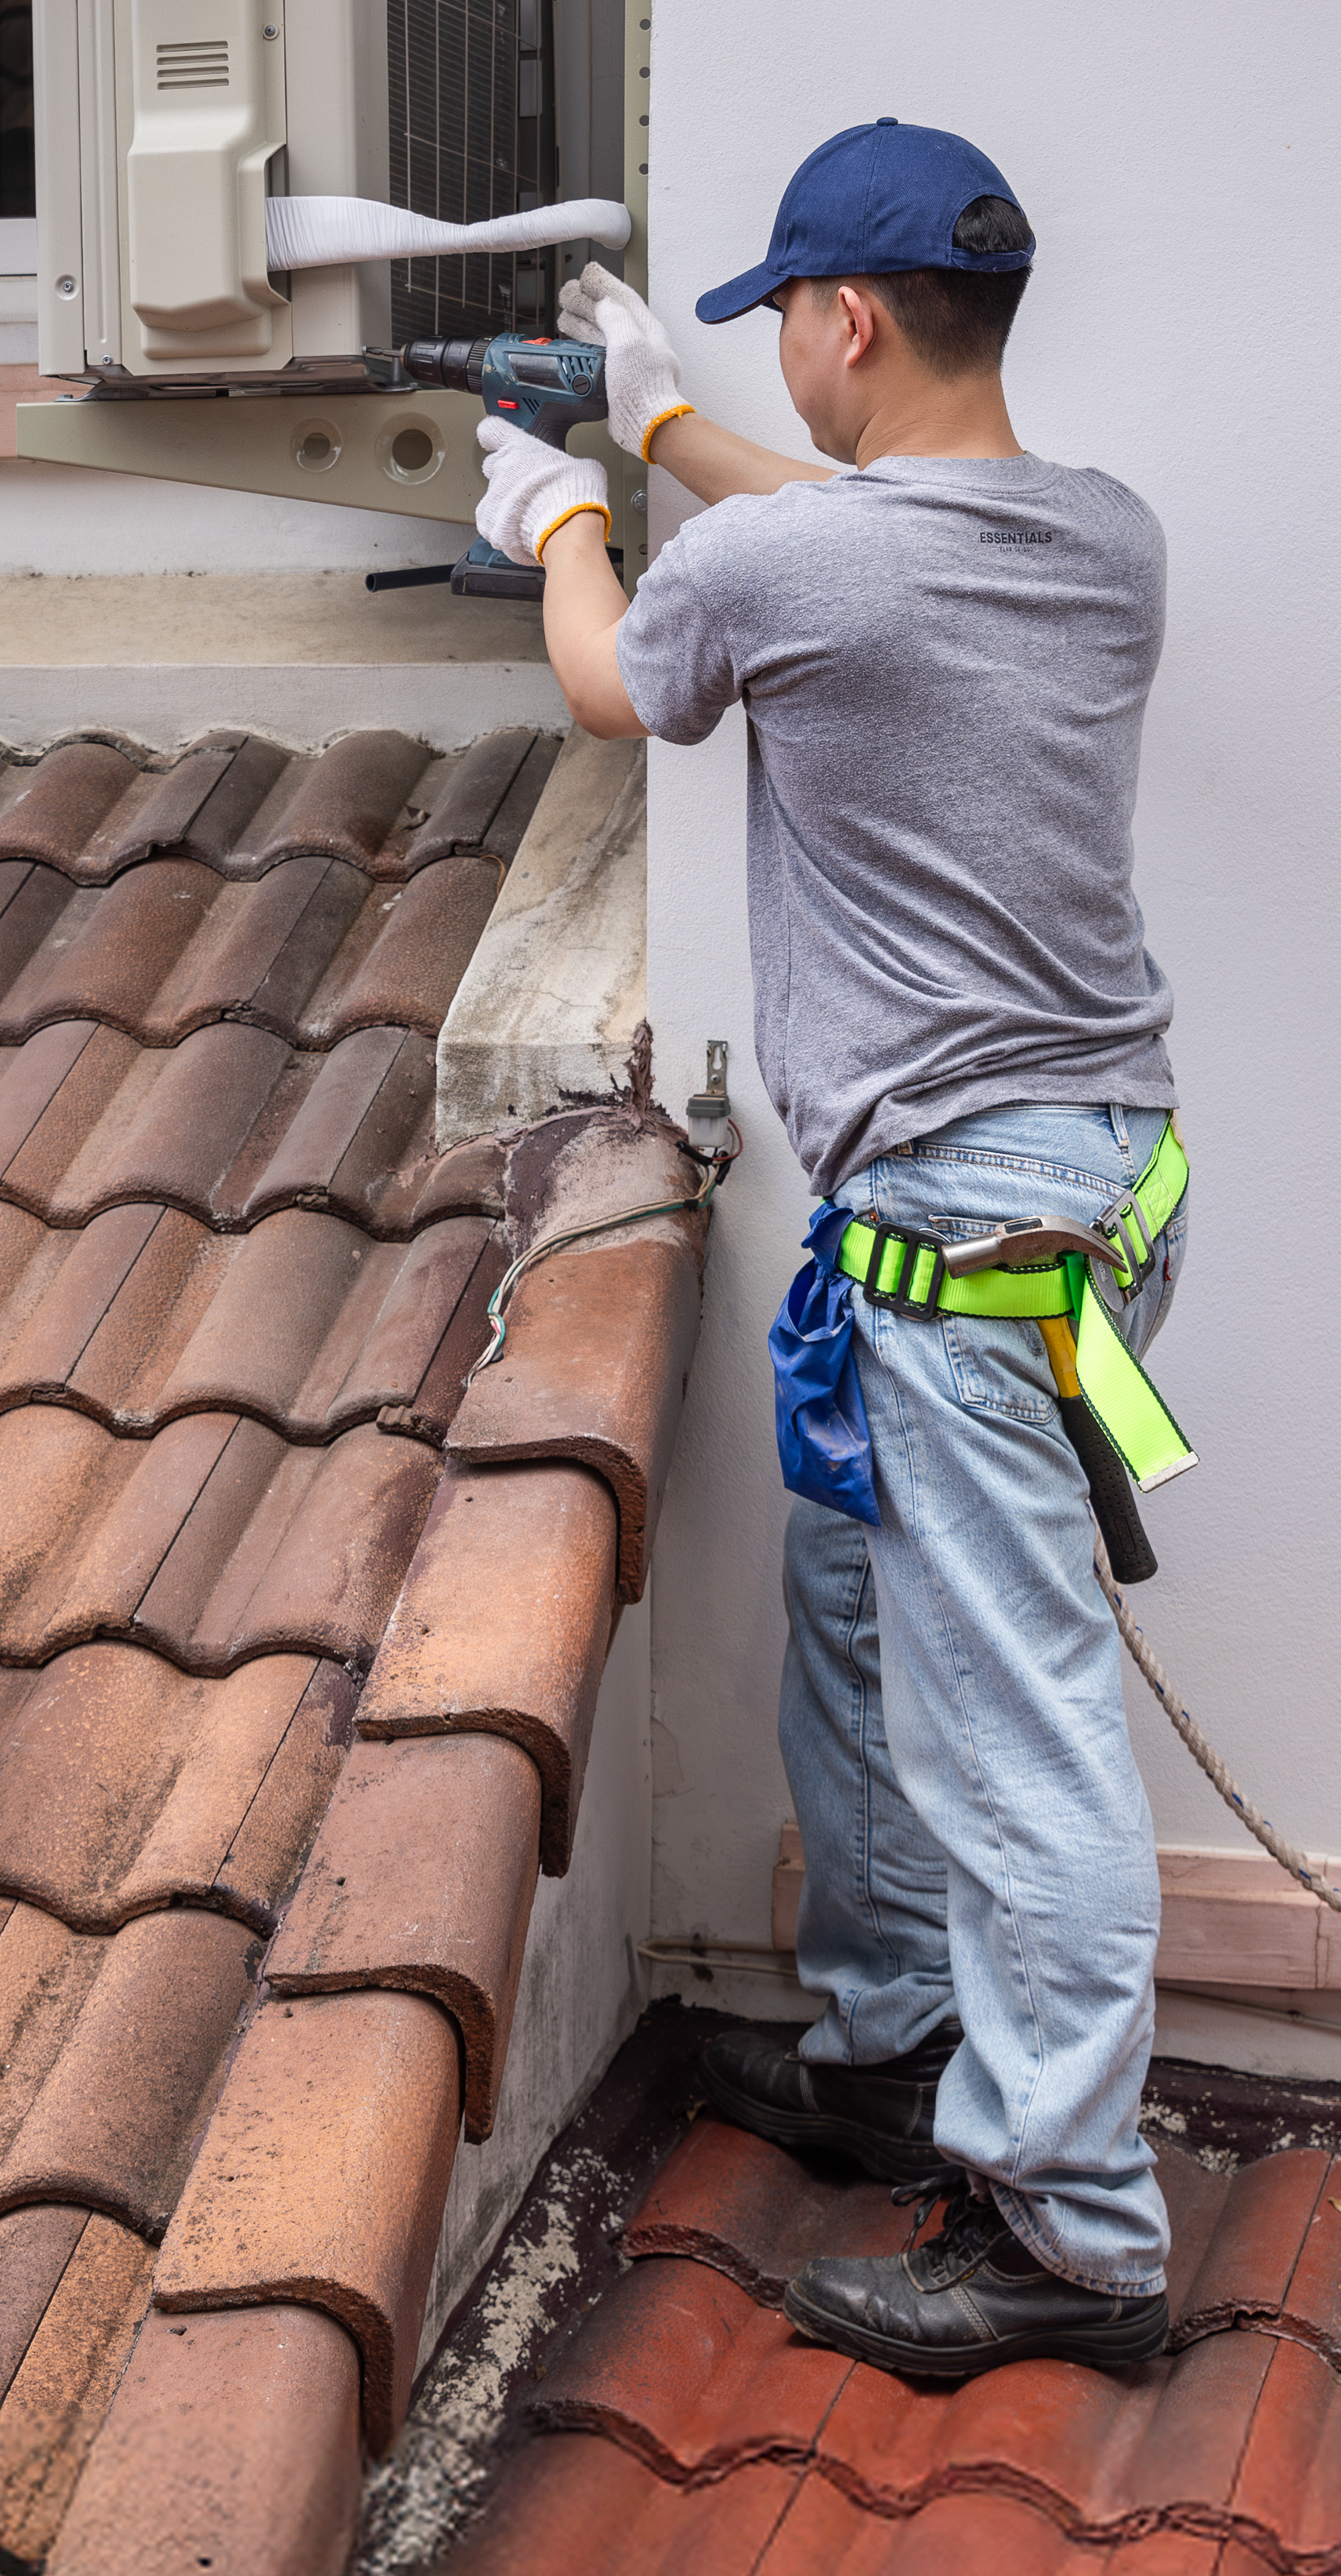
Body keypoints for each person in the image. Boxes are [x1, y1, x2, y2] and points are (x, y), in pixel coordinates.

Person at [471, 118, 1184, 2378]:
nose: (786, 338)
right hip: (1084, 1183)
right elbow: (850, 541)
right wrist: (665, 413)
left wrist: (562, 515)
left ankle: (1071, 2232)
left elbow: (625, 677)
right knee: (864, 1629)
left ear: (847, 321)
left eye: (790, 310)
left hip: (968, 1230)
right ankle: (893, 2050)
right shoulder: (1095, 537)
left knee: (1009, 1727)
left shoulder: (803, 582)